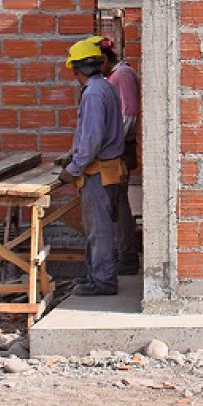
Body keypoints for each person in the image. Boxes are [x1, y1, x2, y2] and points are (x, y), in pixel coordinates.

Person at [59, 36, 126, 297]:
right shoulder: (105, 87)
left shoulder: (94, 94)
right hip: (107, 169)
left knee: (99, 230)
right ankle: (97, 276)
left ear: (77, 69)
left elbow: (92, 139)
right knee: (100, 227)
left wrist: (73, 169)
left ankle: (103, 281)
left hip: (98, 173)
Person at [86, 34, 141, 276]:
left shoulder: (123, 75)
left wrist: (112, 142)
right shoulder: (114, 77)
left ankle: (127, 256)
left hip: (120, 150)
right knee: (118, 204)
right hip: (118, 147)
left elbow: (129, 115)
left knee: (119, 205)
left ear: (106, 59)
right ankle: (124, 254)